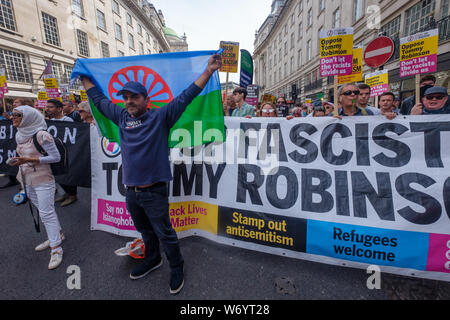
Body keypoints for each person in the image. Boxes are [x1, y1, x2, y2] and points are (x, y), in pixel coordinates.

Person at [80, 53, 222, 295]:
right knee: (145, 231)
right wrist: (82, 73)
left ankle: (177, 266)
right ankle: (153, 259)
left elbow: (187, 96)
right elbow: (98, 98)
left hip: (155, 191)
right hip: (131, 192)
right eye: (125, 97)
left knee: (165, 233)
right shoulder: (121, 117)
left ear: (147, 99)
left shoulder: (161, 116)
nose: (129, 101)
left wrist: (209, 71)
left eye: (134, 96)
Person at [9, 105, 64, 270]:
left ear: (28, 118)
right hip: (26, 179)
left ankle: (56, 248)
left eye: (17, 115)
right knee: (43, 210)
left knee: (47, 213)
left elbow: (56, 157)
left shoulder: (41, 135)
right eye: (12, 114)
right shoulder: (20, 134)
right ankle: (58, 234)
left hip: (43, 179)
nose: (12, 117)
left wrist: (29, 159)